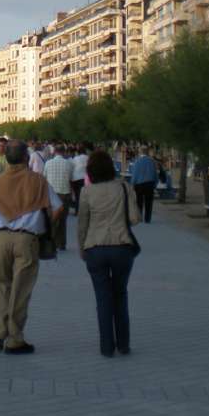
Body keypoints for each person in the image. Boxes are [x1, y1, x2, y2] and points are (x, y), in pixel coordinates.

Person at [0, 139, 63, 354]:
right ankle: (15, 338)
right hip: (26, 239)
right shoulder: (38, 182)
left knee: (2, 285)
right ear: (25, 157)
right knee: (20, 290)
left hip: (1, 238)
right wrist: (45, 223)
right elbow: (57, 208)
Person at [78, 149, 140, 357]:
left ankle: (106, 347)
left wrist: (82, 248)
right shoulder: (124, 187)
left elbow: (82, 224)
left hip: (95, 248)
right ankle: (124, 344)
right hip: (122, 246)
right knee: (120, 295)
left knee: (102, 299)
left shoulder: (87, 192)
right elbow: (135, 218)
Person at [42, 145, 74, 250]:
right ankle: (62, 243)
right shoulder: (69, 164)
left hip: (52, 195)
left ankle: (52, 242)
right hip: (64, 193)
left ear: (54, 152)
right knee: (63, 220)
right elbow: (70, 179)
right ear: (64, 152)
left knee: (52, 219)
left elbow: (44, 178)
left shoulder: (48, 163)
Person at [128, 145, 157, 224]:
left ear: (140, 152)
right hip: (150, 184)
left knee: (139, 202)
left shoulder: (137, 161)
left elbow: (135, 174)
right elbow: (155, 173)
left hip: (139, 184)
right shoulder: (152, 161)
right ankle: (147, 219)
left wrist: (132, 184)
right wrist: (155, 183)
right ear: (147, 152)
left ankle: (140, 217)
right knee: (149, 202)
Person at [71, 144, 89, 214]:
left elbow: (72, 168)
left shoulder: (75, 158)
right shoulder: (88, 158)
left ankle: (77, 211)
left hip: (75, 178)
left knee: (77, 195)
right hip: (84, 179)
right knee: (84, 196)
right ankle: (83, 211)